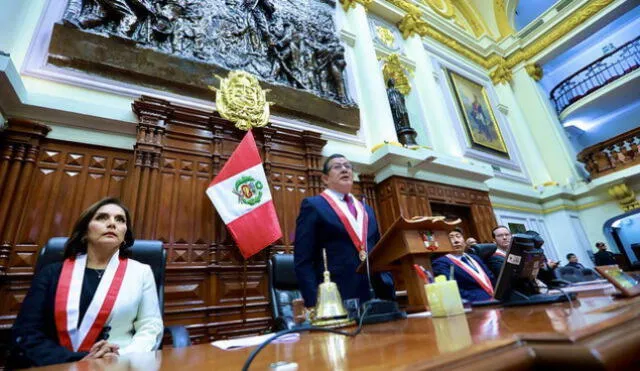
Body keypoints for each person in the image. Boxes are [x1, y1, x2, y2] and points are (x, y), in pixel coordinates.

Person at [9, 198, 163, 368]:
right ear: (84, 232)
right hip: (58, 364)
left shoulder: (141, 272)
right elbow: (27, 333)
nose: (112, 223)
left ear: (125, 235)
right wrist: (78, 360)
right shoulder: (52, 273)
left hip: (117, 364)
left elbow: (150, 327)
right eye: (102, 217)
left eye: (120, 220)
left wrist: (120, 356)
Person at [294, 154, 395, 309]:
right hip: (337, 298)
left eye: (348, 166)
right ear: (325, 179)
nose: (344, 169)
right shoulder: (313, 206)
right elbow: (303, 261)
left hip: (376, 295)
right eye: (337, 166)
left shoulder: (366, 209)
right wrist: (315, 304)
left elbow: (379, 251)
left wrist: (387, 284)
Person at [432, 228, 495, 302]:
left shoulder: (475, 258)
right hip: (474, 304)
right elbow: (452, 290)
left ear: (464, 241)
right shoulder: (440, 263)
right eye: (450, 238)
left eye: (458, 236)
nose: (456, 241)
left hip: (495, 299)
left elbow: (491, 278)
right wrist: (485, 297)